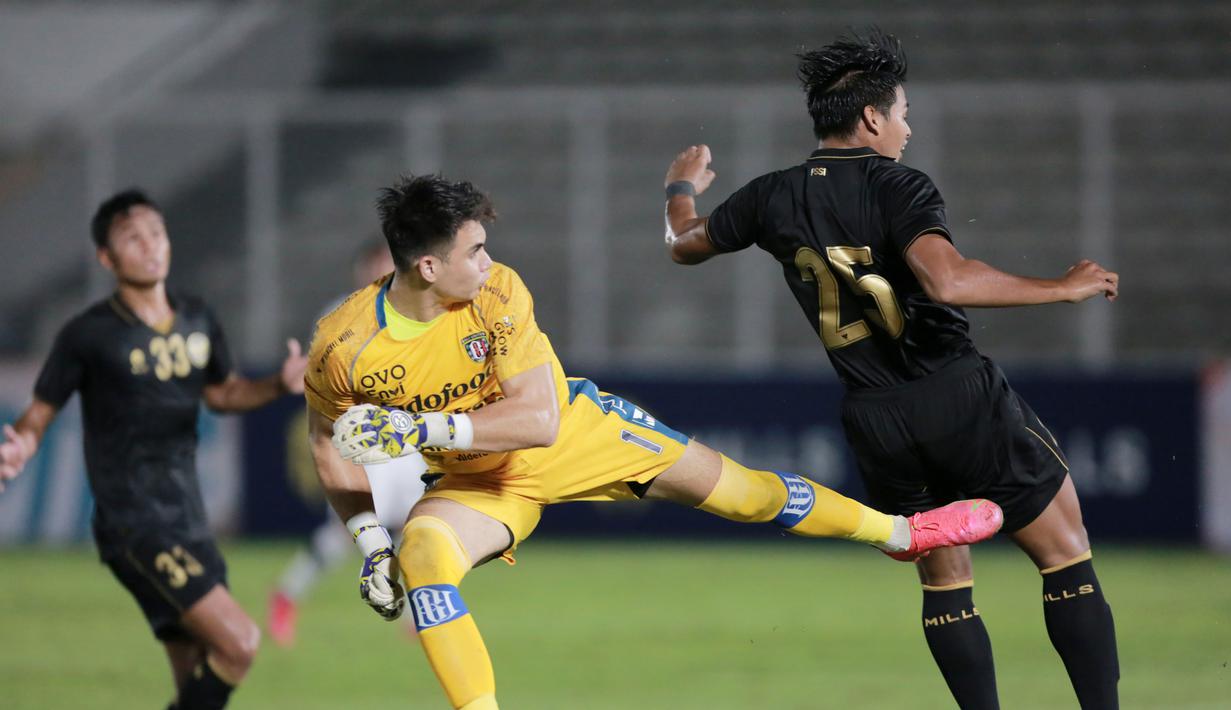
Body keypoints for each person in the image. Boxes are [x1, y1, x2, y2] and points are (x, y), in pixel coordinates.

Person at [304, 173, 1003, 709]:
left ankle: (900, 534)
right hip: (481, 483)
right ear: (428, 268)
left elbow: (538, 421)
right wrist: (369, 542)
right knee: (421, 558)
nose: (489, 261)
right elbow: (327, 439)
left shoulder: (497, 294)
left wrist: (419, 428)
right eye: (475, 250)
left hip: (579, 435)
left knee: (746, 496)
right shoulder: (342, 346)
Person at [661, 28, 1121, 710]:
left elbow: (682, 243)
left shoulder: (770, 196)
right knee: (1064, 554)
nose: (908, 127)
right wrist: (1062, 287)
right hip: (955, 393)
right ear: (872, 118)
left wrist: (679, 187)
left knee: (945, 583)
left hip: (876, 417)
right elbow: (947, 281)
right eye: (903, 113)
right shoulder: (897, 184)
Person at [0, 189, 308, 710]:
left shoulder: (197, 317)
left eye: (156, 233)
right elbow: (39, 413)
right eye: (132, 238)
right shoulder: (88, 335)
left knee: (196, 679)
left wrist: (278, 383)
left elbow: (223, 394)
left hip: (188, 515)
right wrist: (20, 446)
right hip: (134, 523)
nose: (149, 246)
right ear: (107, 257)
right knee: (239, 643)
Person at [267, 240, 427, 647]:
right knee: (347, 532)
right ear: (361, 271)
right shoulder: (339, 315)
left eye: (390, 266)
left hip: (404, 441)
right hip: (362, 442)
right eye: (376, 266)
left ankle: (416, 617)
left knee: (416, 527)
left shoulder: (415, 313)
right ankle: (287, 593)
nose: (383, 274)